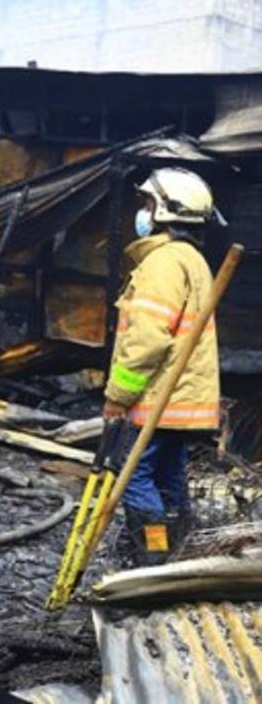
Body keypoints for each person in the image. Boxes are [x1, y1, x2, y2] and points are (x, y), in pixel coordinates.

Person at [103, 167, 221, 566]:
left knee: (131, 474)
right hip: (181, 400)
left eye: (147, 203)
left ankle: (154, 555)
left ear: (165, 212)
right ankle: (180, 548)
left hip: (157, 397)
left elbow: (147, 340)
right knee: (168, 475)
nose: (141, 211)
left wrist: (119, 395)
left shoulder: (163, 263)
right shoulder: (192, 260)